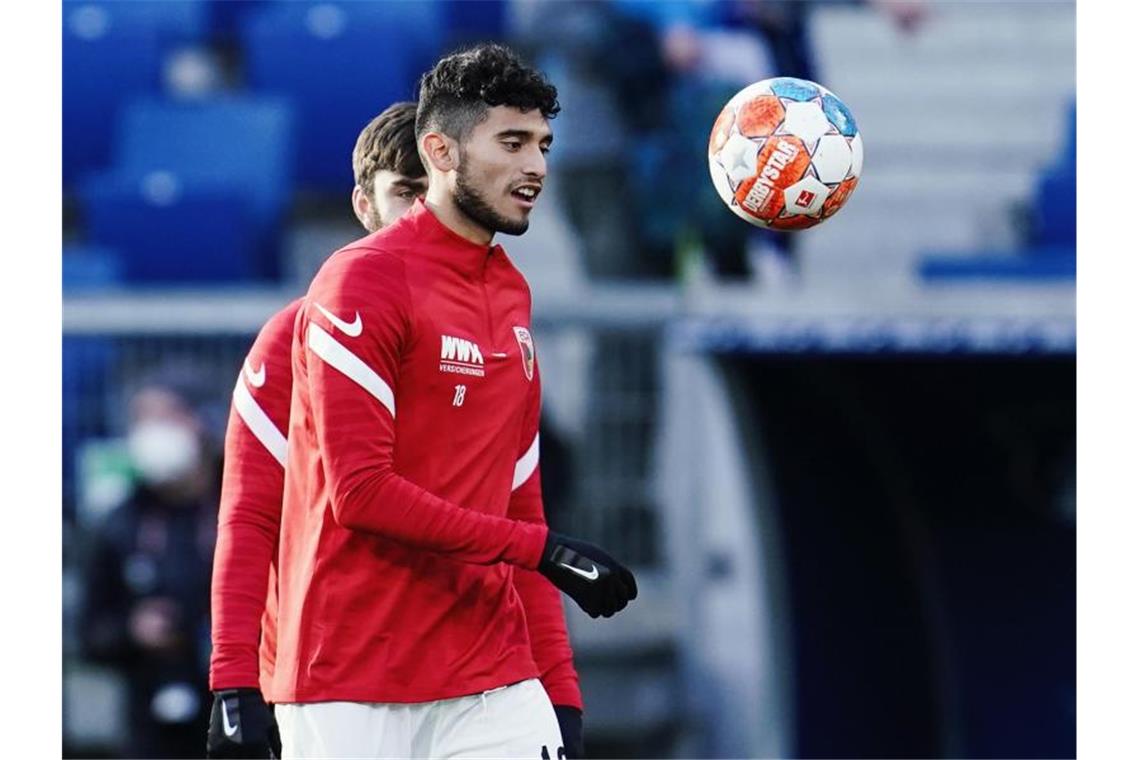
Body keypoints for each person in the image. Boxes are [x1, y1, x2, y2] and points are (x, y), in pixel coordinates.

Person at [270, 44, 637, 759]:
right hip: (352, 675)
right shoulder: (361, 282)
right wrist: (545, 551)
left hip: (489, 672)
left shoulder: (511, 292)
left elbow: (519, 499)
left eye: (544, 145)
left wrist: (559, 689)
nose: (536, 167)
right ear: (439, 150)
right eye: (512, 142)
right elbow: (361, 491)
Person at [206, 102, 428, 759]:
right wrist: (232, 681)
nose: (425, 215)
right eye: (405, 193)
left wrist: (556, 686)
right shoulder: (292, 340)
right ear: (365, 206)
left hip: (466, 675)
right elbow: (248, 517)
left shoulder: (497, 343)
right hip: (334, 684)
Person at [81, 376, 221, 759]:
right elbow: (91, 634)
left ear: (201, 422)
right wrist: (132, 632)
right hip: (151, 726)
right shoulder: (121, 522)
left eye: (165, 417)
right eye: (141, 419)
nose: (151, 432)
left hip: (242, 716)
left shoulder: (241, 506)